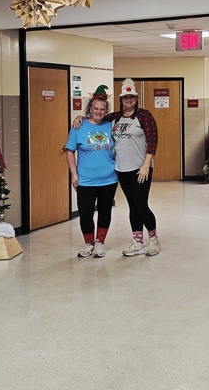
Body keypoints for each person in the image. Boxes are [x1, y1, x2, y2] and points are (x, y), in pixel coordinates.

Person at [76, 78, 160, 256]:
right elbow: (96, 117)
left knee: (141, 205)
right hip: (122, 169)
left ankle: (153, 238)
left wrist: (146, 165)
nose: (128, 100)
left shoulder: (144, 116)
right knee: (133, 205)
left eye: (132, 97)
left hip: (140, 169)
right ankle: (138, 242)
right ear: (121, 100)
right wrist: (81, 117)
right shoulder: (114, 118)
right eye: (125, 97)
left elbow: (153, 140)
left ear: (136, 98)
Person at [65, 87, 118, 258]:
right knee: (86, 214)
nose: (99, 112)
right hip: (85, 180)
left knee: (104, 212)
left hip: (109, 179)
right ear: (90, 109)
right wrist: (74, 174)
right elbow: (69, 151)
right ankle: (88, 244)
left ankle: (100, 244)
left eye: (102, 109)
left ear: (106, 111)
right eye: (96, 108)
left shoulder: (111, 126)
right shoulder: (78, 127)